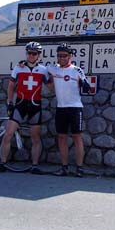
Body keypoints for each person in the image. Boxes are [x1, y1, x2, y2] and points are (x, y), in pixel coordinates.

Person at [0, 41, 48, 174]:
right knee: (8, 134)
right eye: (29, 53)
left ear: (39, 55)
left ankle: (34, 166)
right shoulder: (18, 68)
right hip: (20, 105)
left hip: (35, 106)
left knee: (35, 137)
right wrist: (9, 101)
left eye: (34, 53)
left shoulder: (44, 70)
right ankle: (3, 163)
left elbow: (51, 86)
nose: (31, 55)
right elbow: (11, 86)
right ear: (26, 54)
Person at [47, 43, 91, 177]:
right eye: (59, 56)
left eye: (64, 56)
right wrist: (22, 63)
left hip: (75, 107)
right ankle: (64, 167)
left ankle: (79, 168)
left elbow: (86, 86)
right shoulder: (54, 69)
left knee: (77, 137)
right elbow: (38, 67)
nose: (61, 58)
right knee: (61, 137)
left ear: (70, 56)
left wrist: (84, 84)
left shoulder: (76, 70)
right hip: (61, 107)